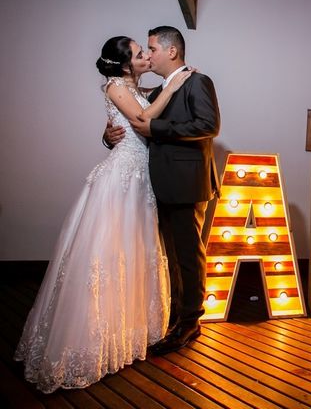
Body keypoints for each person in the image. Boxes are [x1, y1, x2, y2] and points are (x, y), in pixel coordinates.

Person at [14, 36, 193, 393]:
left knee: (133, 254)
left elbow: (131, 121)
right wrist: (173, 87)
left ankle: (127, 335)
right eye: (140, 53)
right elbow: (142, 119)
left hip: (141, 180)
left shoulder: (134, 86)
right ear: (127, 64)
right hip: (121, 181)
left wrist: (113, 131)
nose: (146, 56)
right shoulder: (115, 86)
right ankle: (90, 343)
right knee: (108, 255)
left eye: (148, 51)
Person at [105, 26, 220, 355]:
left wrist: (157, 127)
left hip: (187, 183)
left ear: (171, 52)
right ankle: (173, 314)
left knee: (187, 256)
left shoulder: (197, 81)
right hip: (161, 185)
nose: (147, 55)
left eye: (152, 48)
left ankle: (190, 322)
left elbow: (208, 125)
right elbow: (134, 119)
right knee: (168, 256)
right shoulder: (158, 90)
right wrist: (109, 135)